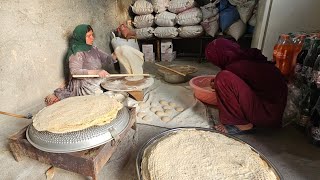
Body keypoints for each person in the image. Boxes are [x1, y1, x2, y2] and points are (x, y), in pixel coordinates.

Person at [205, 38, 288, 134]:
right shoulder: (245, 58)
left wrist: (218, 83)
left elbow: (229, 81)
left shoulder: (237, 66)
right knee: (222, 78)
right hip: (273, 112)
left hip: (267, 115)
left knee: (222, 78)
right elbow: (247, 81)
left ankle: (240, 124)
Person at [45, 24, 117, 105]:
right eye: (88, 36)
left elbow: (107, 59)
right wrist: (96, 72)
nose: (92, 38)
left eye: (92, 34)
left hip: (96, 78)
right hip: (83, 84)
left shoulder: (93, 49)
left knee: (114, 85)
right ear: (81, 37)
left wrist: (115, 55)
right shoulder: (76, 53)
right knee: (99, 100)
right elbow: (75, 72)